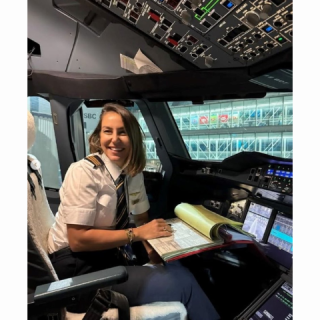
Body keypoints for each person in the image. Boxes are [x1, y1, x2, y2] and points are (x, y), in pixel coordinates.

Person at [47, 103, 220, 320]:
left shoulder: (132, 173)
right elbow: (78, 240)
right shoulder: (84, 172)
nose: (114, 139)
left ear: (134, 138)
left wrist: (154, 254)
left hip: (105, 255)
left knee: (178, 267)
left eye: (123, 132)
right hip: (75, 268)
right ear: (98, 136)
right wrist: (138, 235)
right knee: (183, 283)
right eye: (107, 131)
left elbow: (141, 220)